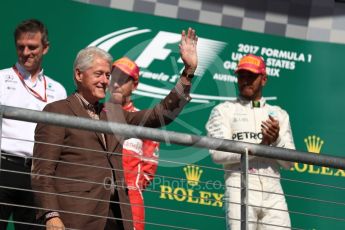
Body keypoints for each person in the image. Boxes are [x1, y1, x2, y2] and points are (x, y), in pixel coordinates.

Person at [31, 27, 198, 230]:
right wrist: (51, 215)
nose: (105, 81)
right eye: (99, 74)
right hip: (75, 218)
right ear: (78, 74)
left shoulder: (113, 114)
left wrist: (187, 73)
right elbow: (42, 171)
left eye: (108, 75)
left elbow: (160, 115)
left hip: (116, 218)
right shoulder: (57, 111)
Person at [206, 54, 295, 230]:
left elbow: (290, 163)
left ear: (264, 79)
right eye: (241, 76)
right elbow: (217, 154)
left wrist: (276, 140)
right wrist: (259, 147)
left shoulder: (279, 114)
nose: (245, 81)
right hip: (240, 186)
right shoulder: (224, 110)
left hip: (273, 190)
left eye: (251, 76)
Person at [0, 19, 67, 229]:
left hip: (38, 174)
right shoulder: (1, 79)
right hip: (4, 167)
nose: (26, 52)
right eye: (21, 47)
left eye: (32, 47)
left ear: (45, 48)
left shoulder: (58, 90)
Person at [110, 57, 159, 230]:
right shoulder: (94, 114)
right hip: (95, 196)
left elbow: (149, 168)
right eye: (113, 78)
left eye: (123, 80)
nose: (116, 84)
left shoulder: (144, 121)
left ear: (134, 85)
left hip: (130, 199)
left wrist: (129, 188)